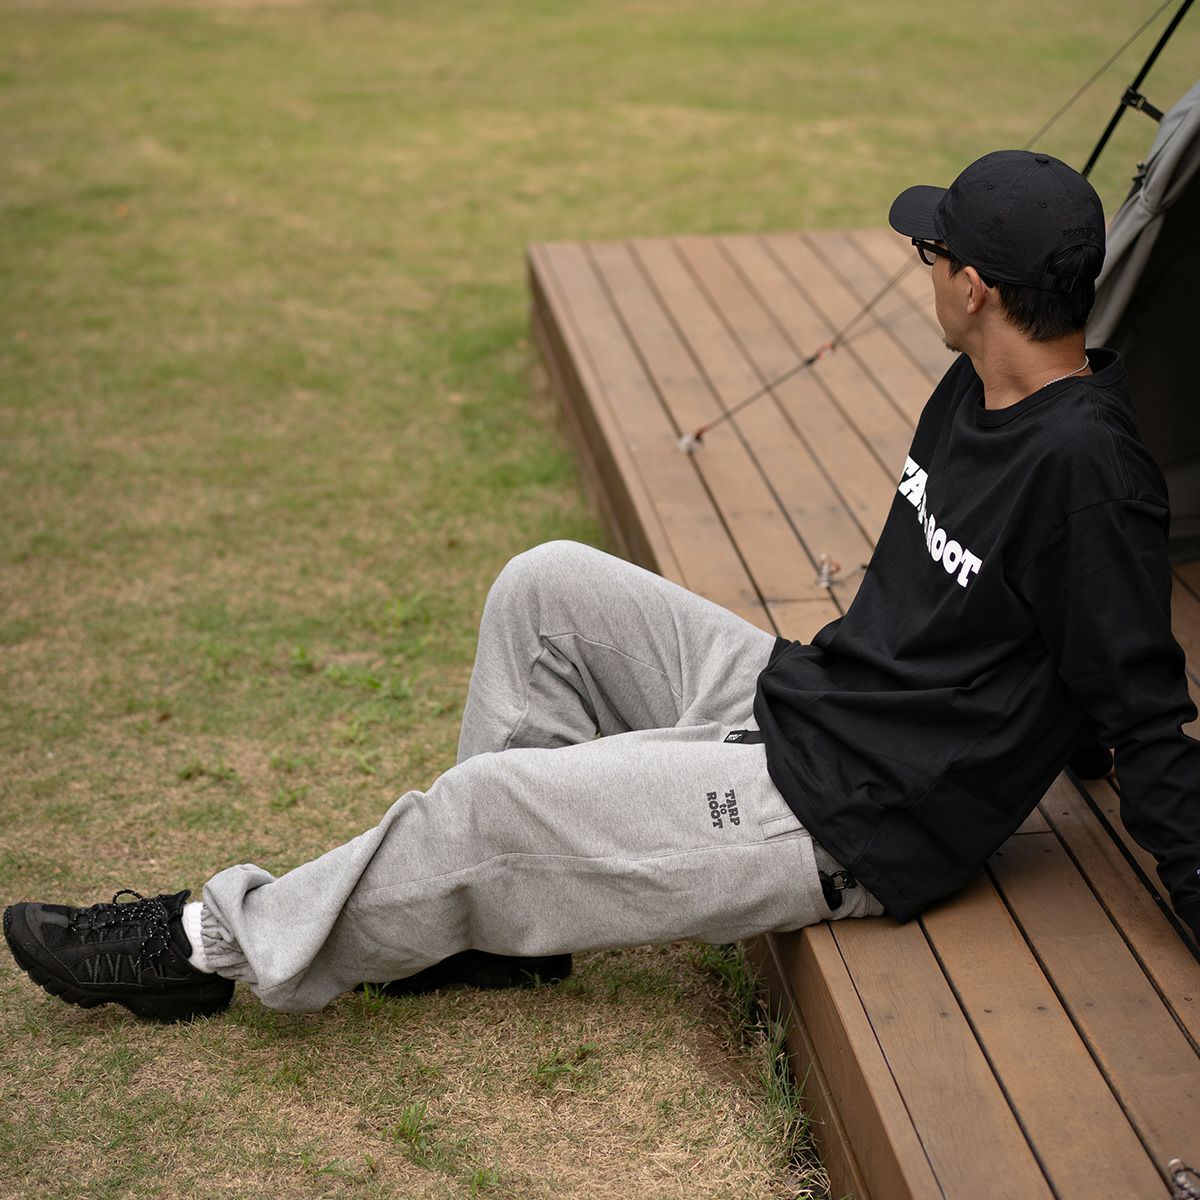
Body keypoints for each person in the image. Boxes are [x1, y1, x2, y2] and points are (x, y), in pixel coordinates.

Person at [6, 150, 1199, 1023]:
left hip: (847, 816)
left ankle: (203, 943)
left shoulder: (1088, 471)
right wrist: (1066, 729)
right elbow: (1066, 644)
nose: (921, 270)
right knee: (549, 585)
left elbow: (1142, 700)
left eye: (930, 255)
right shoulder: (978, 385)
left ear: (975, 286)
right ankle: (496, 938)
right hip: (810, 700)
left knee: (487, 810)